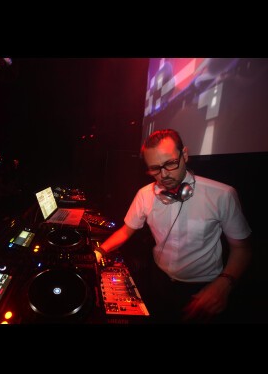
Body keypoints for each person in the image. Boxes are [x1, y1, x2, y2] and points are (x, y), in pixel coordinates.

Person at [94, 129, 252, 323]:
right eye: (155, 168)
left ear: (184, 155)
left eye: (170, 163)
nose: (163, 175)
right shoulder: (144, 194)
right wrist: (100, 251)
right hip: (158, 280)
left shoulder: (222, 195)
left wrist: (224, 283)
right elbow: (127, 230)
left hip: (203, 289)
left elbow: (242, 249)